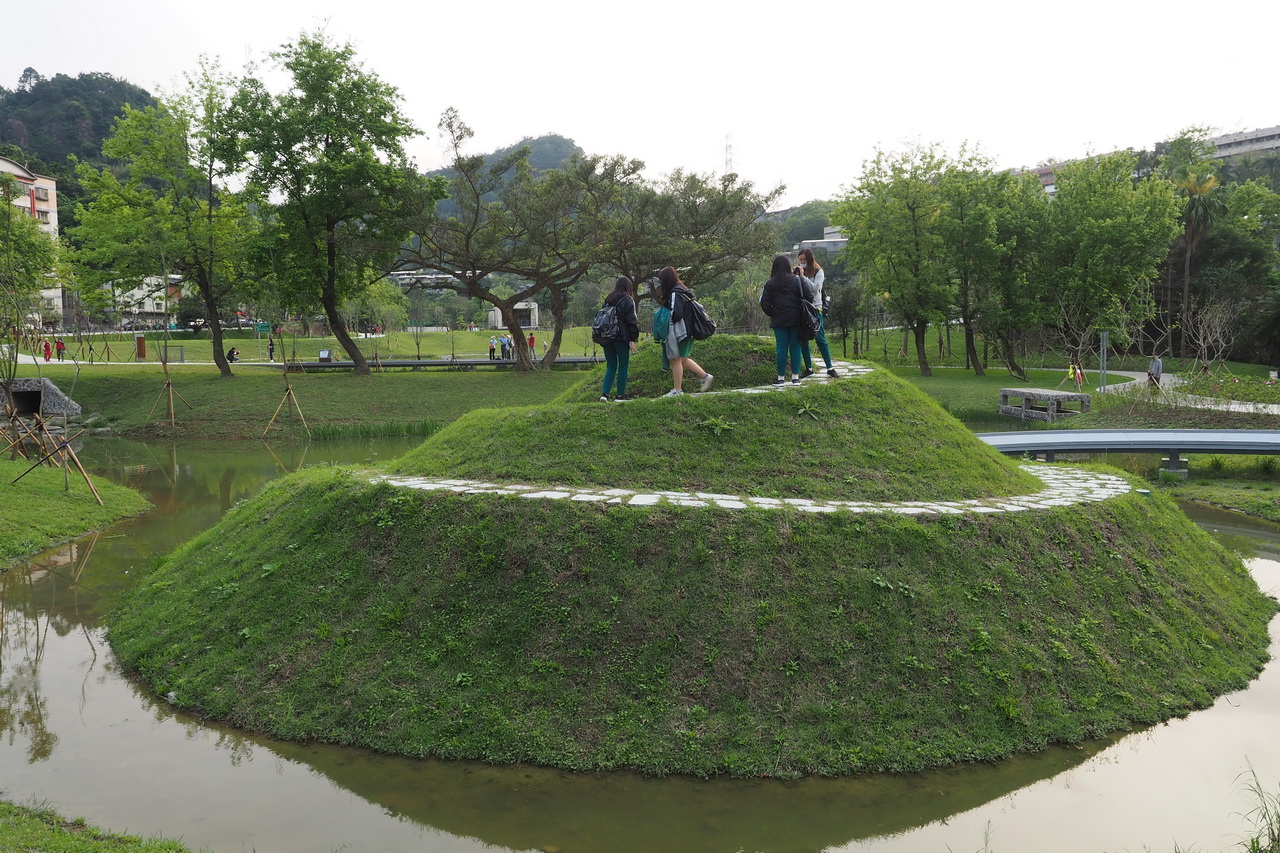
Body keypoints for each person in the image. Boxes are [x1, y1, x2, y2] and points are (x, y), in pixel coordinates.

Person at [759, 254, 814, 385]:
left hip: (779, 321)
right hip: (796, 320)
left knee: (781, 348)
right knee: (796, 347)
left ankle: (780, 378)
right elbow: (809, 297)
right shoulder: (797, 280)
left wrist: (773, 313)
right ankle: (795, 377)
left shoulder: (770, 283)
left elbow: (764, 303)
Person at [658, 266, 713, 396]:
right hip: (689, 331)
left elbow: (676, 313)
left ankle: (678, 390)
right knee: (682, 359)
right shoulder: (683, 290)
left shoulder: (675, 293)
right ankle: (705, 376)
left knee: (676, 360)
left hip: (680, 332)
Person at [795, 248, 837, 378]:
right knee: (803, 339)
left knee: (820, 338)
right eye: (800, 260)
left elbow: (814, 289)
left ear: (810, 259)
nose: (802, 263)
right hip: (802, 309)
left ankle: (830, 367)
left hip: (815, 309)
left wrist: (802, 277)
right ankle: (809, 368)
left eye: (804, 260)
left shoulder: (819, 272)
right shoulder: (799, 273)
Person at [598, 276, 640, 402]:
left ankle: (604, 394)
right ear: (628, 287)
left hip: (606, 337)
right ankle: (620, 396)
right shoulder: (628, 299)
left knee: (611, 365)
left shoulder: (608, 298)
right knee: (623, 366)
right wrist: (633, 338)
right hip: (621, 337)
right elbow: (631, 321)